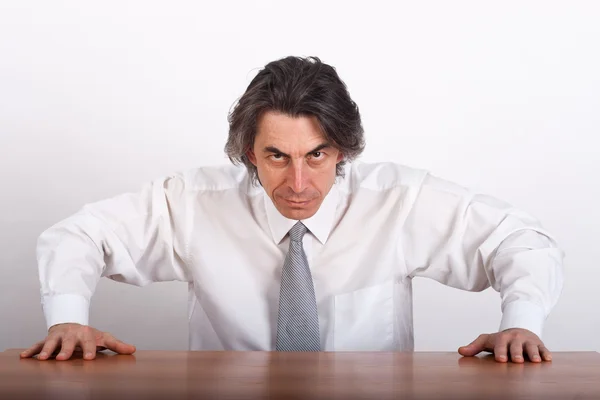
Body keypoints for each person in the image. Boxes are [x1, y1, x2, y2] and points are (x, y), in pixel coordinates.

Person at [21, 56, 563, 363]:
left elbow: (521, 240)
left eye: (317, 155)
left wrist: (521, 323)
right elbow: (77, 236)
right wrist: (68, 317)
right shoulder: (192, 204)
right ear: (249, 153)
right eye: (276, 156)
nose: (298, 183)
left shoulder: (400, 201)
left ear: (343, 151)